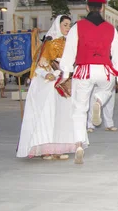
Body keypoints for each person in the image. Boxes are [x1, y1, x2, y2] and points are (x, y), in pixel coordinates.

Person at [59, 0, 118, 164]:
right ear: (103, 8)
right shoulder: (110, 29)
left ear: (87, 7)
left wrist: (66, 73)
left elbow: (70, 51)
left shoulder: (77, 27)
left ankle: (79, 144)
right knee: (107, 89)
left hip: (84, 70)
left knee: (79, 109)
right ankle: (98, 100)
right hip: (104, 70)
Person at [16, 15, 77, 160]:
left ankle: (58, 148)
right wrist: (49, 74)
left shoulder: (68, 43)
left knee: (61, 117)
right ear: (58, 25)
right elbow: (41, 63)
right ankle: (45, 149)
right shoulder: (49, 43)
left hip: (64, 83)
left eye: (69, 25)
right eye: (65, 25)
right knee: (48, 116)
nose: (68, 28)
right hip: (50, 86)